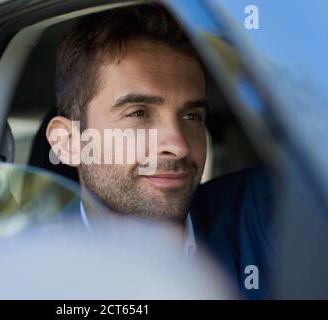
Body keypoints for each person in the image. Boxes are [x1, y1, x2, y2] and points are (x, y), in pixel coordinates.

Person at [45, 4, 275, 299]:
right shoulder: (27, 272)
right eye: (138, 113)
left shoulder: (264, 214)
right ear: (68, 143)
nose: (178, 145)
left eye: (192, 117)